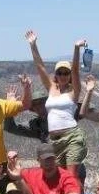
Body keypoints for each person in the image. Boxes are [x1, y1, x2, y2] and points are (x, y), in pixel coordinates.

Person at [25, 29, 87, 177]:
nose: (63, 76)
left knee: (70, 177)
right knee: (58, 177)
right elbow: (40, 67)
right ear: (56, 75)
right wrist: (33, 45)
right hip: (54, 141)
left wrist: (76, 48)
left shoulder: (74, 91)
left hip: (72, 136)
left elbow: (76, 70)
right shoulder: (51, 88)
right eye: (60, 72)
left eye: (66, 73)